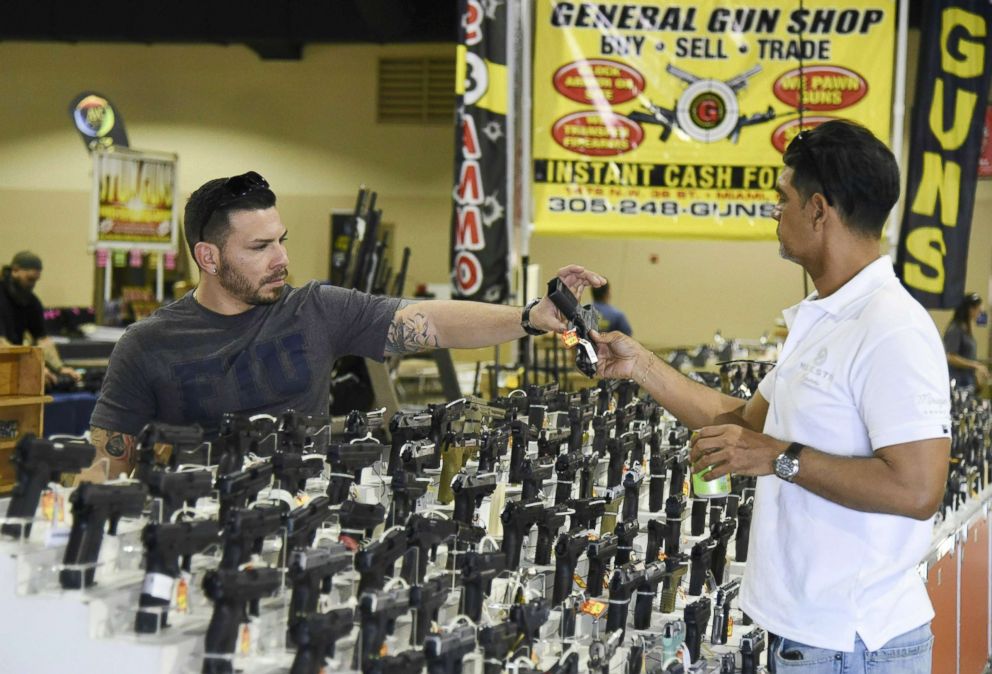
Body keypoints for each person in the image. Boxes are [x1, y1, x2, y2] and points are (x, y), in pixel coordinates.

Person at [593, 121, 948, 672]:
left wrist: (780, 458)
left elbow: (918, 488)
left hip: (853, 645)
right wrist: (640, 365)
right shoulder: (824, 319)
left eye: (781, 199)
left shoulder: (891, 328)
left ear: (818, 210)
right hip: (808, 637)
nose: (774, 213)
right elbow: (739, 421)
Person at [84, 170, 604, 479]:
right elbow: (108, 462)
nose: (281, 258)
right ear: (208, 257)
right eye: (260, 247)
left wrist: (529, 317)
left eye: (282, 239)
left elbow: (431, 323)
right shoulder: (148, 344)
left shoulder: (315, 310)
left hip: (307, 526)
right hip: (195, 533)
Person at [0, 251, 81, 386]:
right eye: (29, 279)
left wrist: (60, 368)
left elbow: (42, 339)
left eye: (35, 281)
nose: (32, 285)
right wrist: (33, 368)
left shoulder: (31, 302)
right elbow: (1, 345)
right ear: (15, 271)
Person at [943, 291, 988, 389]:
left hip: (967, 382)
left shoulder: (966, 330)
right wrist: (975, 365)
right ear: (971, 310)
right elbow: (950, 357)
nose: (979, 314)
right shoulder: (955, 329)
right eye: (978, 311)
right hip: (957, 384)